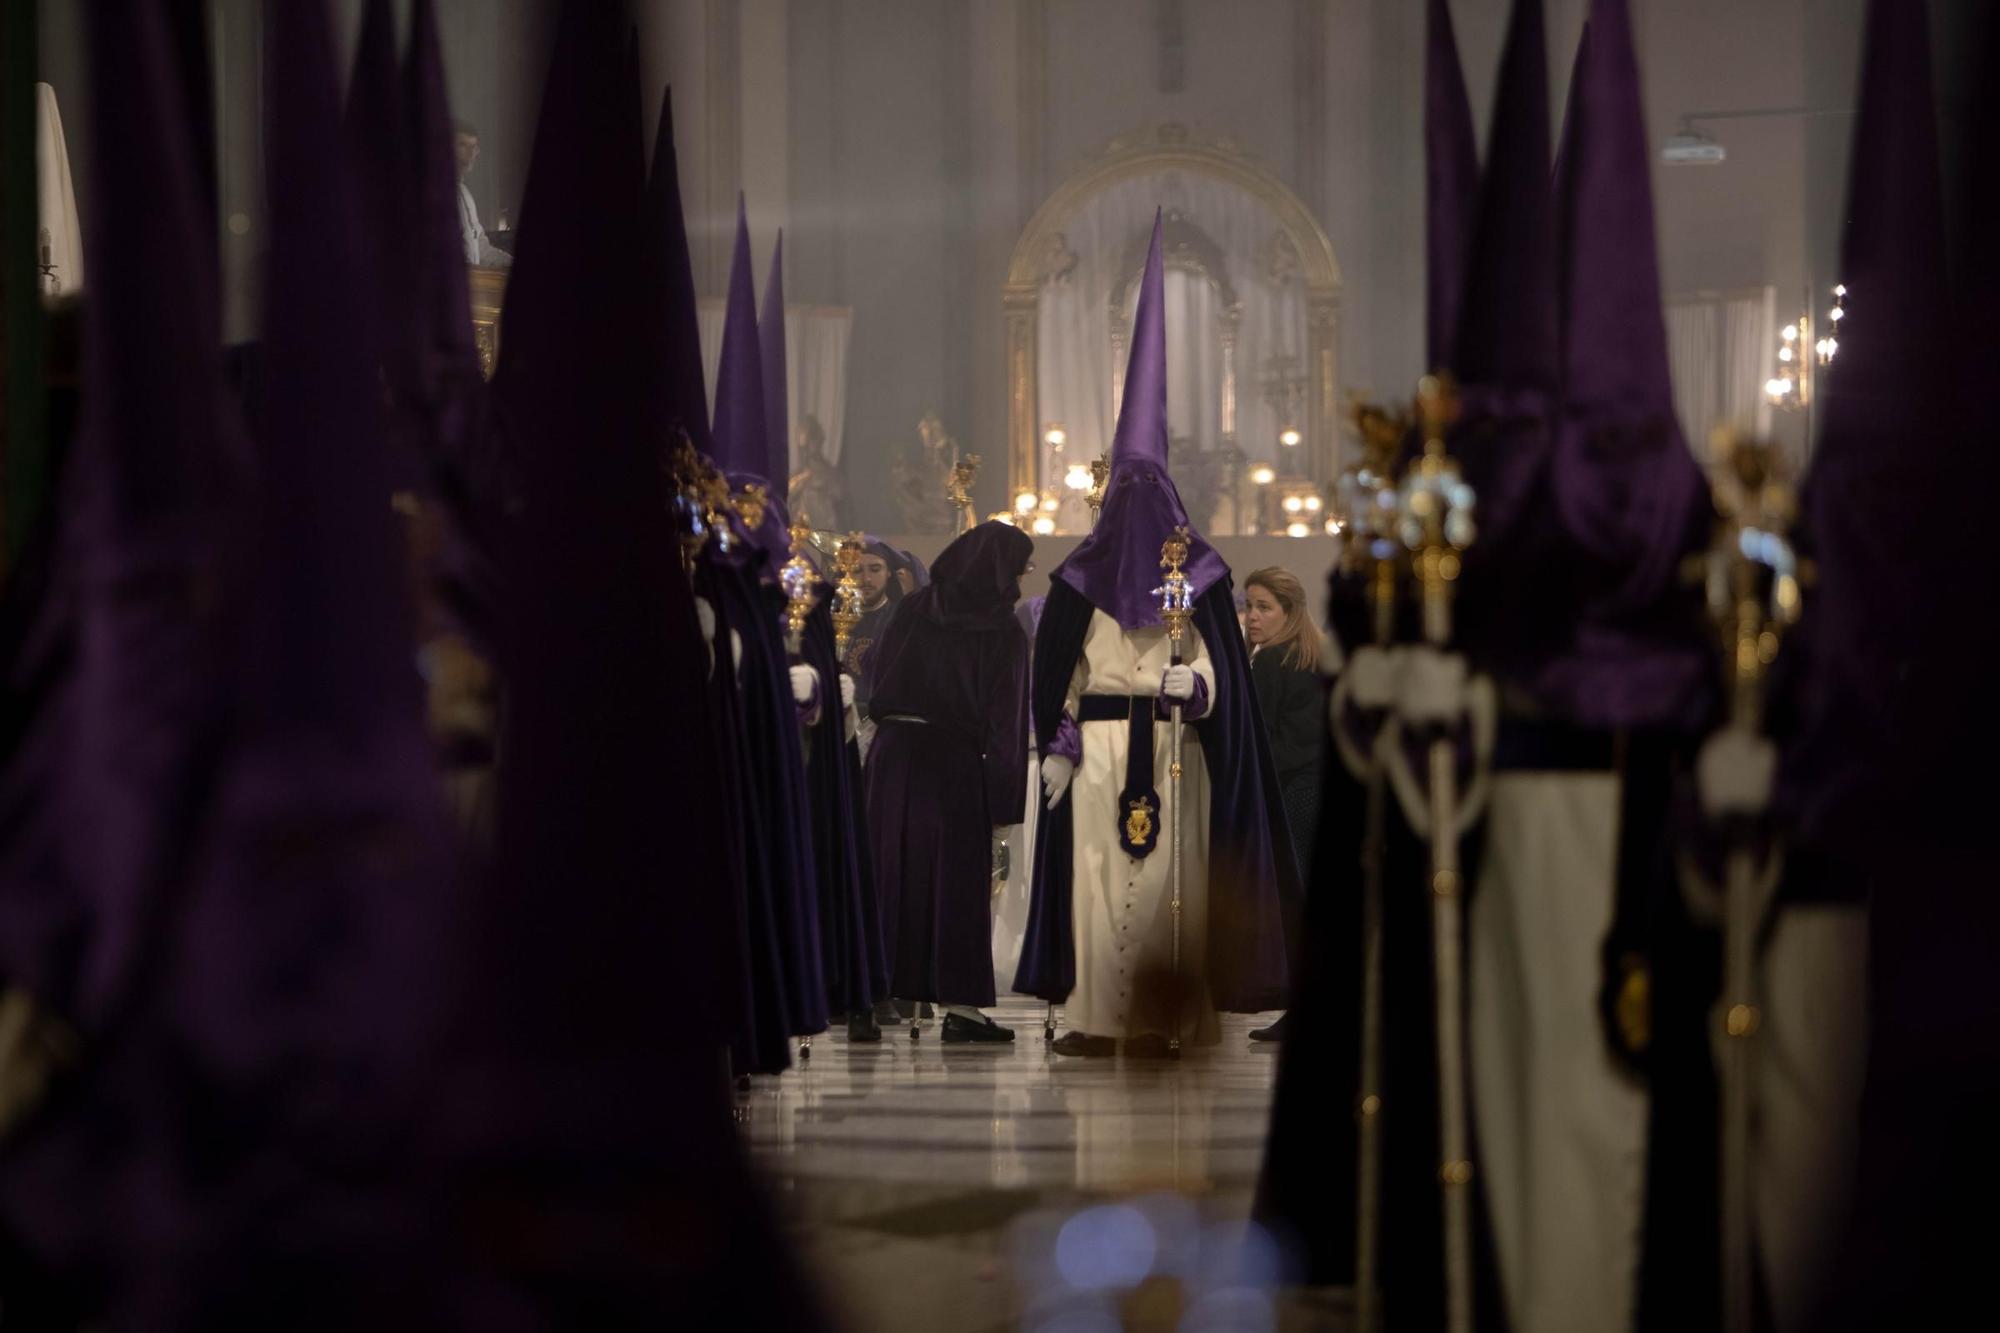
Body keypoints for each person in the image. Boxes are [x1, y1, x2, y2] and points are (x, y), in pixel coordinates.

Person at [1014, 212, 1295, 1059]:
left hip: (1177, 750)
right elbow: (1053, 674)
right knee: (1096, 882)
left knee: (1176, 879)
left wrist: (1198, 687)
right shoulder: (1076, 582)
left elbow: (1218, 674)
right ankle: (1102, 1017)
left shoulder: (1199, 576)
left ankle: (1169, 1019)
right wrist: (1056, 742)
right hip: (1100, 745)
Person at [864, 521, 1033, 1043]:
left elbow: (876, 673)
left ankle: (870, 995)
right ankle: (961, 1007)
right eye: (1021, 567)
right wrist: (1005, 806)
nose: (1023, 579)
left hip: (892, 755)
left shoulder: (912, 608)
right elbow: (1007, 723)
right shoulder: (1002, 630)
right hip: (953, 762)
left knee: (887, 873)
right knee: (956, 883)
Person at [1240, 567, 1327, 1043]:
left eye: (1263, 607)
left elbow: (1265, 739)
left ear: (1289, 612)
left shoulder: (1272, 661)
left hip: (1294, 792)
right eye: (1249, 606)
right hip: (1317, 789)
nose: (1252, 617)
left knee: (1295, 904)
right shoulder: (1314, 654)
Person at [453, 120, 511, 268]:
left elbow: (481, 248)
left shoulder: (465, 196)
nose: (471, 153)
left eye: (473, 147)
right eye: (462, 145)